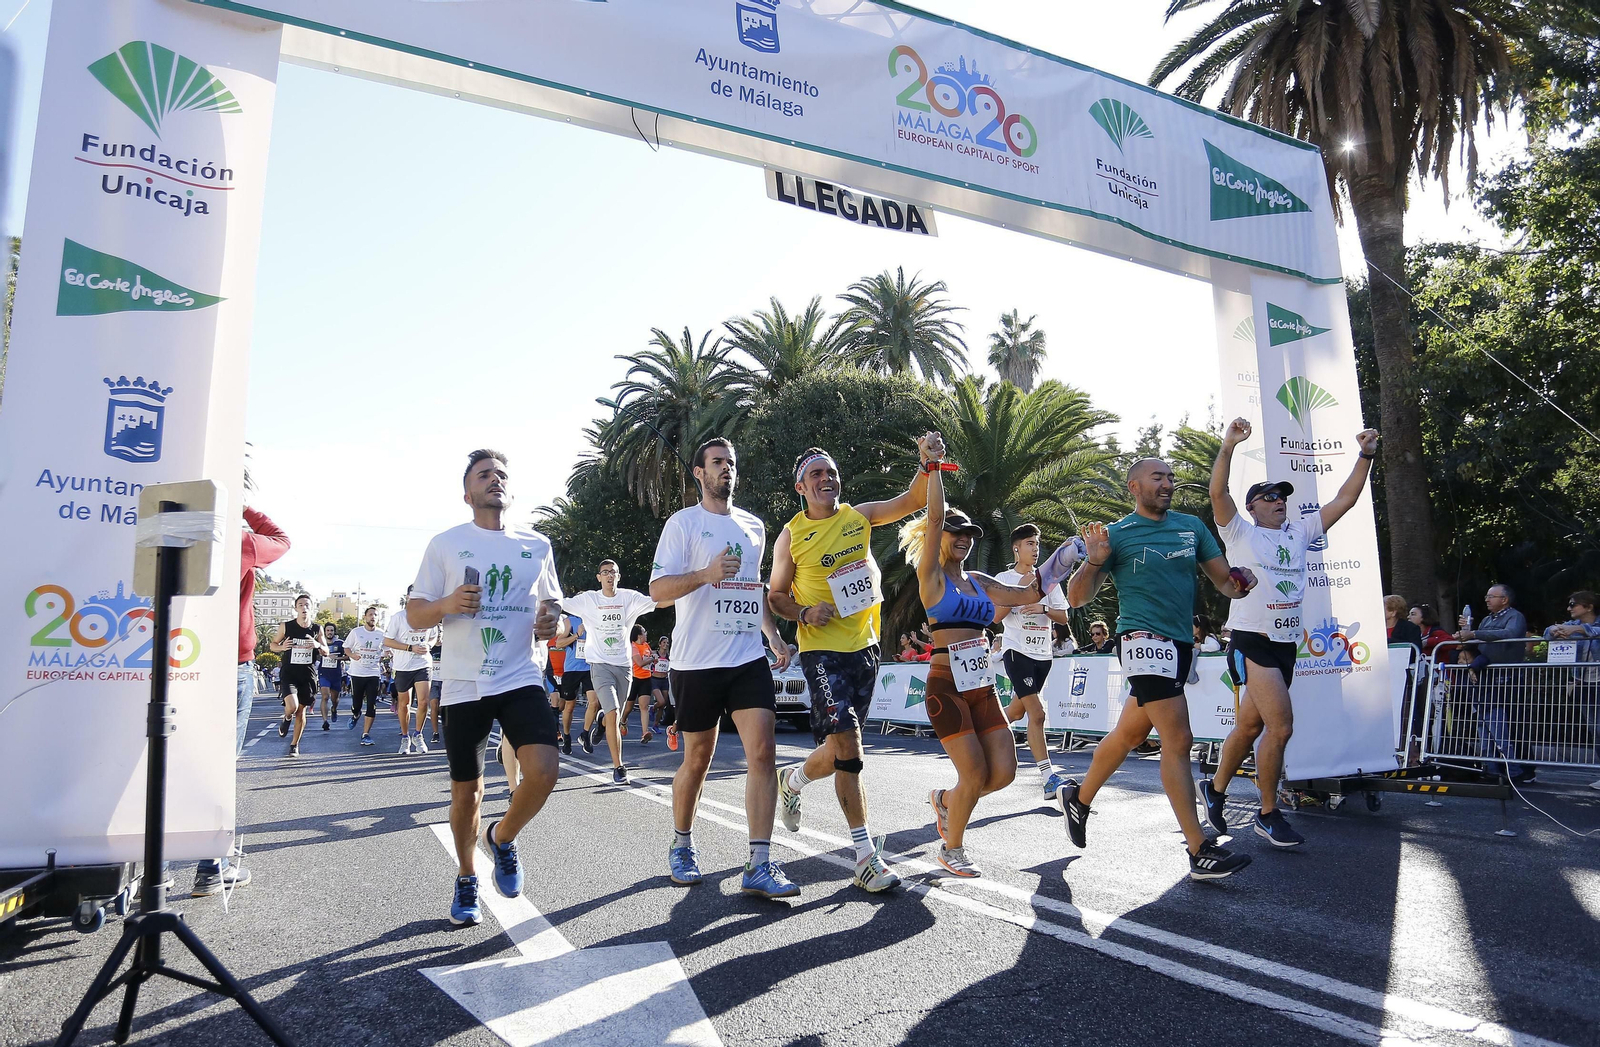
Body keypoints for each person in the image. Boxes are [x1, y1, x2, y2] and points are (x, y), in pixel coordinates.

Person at [1047, 457, 1257, 880]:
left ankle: (1078, 796)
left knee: (1131, 732)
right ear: (1134, 487)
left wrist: (1241, 581)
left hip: (1179, 643)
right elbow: (1076, 599)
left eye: (1170, 477)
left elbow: (1224, 584)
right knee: (1178, 738)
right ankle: (1199, 849)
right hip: (1141, 639)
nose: (1167, 483)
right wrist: (1092, 560)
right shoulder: (1117, 535)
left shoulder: (1191, 528)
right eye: (1157, 477)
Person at [769, 435, 946, 892]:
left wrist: (927, 463)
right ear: (800, 488)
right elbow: (775, 596)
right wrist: (803, 613)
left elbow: (910, 500)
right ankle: (865, 856)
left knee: (839, 751)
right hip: (820, 651)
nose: (827, 479)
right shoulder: (791, 535)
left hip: (864, 648)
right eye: (816, 474)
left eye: (831, 472)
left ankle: (792, 779)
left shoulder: (859, 517)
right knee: (849, 747)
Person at [1197, 419, 1379, 849]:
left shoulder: (1301, 531)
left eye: (1282, 496)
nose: (1279, 501)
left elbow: (1346, 500)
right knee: (1280, 728)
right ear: (1254, 507)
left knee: (1248, 727)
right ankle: (1267, 812)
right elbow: (1217, 494)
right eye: (1270, 497)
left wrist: (1366, 454)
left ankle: (1215, 789)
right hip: (1250, 640)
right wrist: (1228, 446)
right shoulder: (1240, 531)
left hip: (1285, 644)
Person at [405, 449, 565, 926]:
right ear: (467, 492)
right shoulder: (446, 544)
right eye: (484, 474)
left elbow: (552, 610)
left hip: (519, 674)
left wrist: (550, 623)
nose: (495, 480)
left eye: (501, 475)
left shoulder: (536, 545)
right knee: (466, 794)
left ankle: (502, 838)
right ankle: (467, 877)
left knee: (544, 771)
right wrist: (450, 602)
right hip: (462, 680)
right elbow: (416, 614)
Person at [650, 437, 797, 899]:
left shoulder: (753, 526)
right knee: (698, 759)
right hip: (696, 663)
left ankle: (759, 862)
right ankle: (682, 845)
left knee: (764, 753)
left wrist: (771, 635)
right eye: (717, 463)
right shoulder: (683, 525)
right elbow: (658, 590)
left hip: (745, 658)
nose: (726, 470)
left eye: (731, 463)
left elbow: (754, 590)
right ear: (699, 473)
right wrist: (704, 575)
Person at [898, 463, 1043, 877]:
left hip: (981, 684)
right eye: (954, 531)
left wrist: (1074, 557)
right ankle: (952, 848)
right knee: (975, 772)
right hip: (946, 685)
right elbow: (937, 514)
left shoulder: (978, 580)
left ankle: (946, 801)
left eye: (969, 535)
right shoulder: (931, 576)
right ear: (936, 535)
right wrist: (932, 468)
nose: (963, 539)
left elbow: (1030, 592)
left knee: (1004, 773)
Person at [195, 506, 289, 897]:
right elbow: (282, 540)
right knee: (217, 769)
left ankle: (157, 869)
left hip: (177, 660)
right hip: (229, 665)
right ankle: (210, 868)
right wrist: (243, 507)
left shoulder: (171, 536)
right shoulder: (237, 542)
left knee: (168, 764)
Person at [996, 523, 1076, 803]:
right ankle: (1048, 778)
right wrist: (1016, 592)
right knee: (1037, 714)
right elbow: (994, 618)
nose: (1035, 549)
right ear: (1016, 548)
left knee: (1016, 713)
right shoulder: (1004, 577)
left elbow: (1064, 618)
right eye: (1030, 543)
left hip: (1043, 655)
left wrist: (1042, 607)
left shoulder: (1048, 578)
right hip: (1017, 651)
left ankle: (981, 732)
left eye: (1037, 544)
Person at [563, 560, 657, 783]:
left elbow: (659, 601)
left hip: (624, 667)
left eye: (612, 572)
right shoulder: (589, 600)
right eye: (604, 572)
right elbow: (559, 602)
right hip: (600, 665)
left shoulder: (629, 598)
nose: (608, 576)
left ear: (618, 576)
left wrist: (693, 589)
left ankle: (601, 722)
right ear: (598, 577)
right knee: (614, 713)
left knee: (612, 715)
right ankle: (619, 767)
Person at [1456, 584, 1533, 782]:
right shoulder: (1487, 619)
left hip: (1507, 677)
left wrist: (1474, 634)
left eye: (1491, 596)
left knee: (1506, 726)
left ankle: (1517, 770)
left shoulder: (1515, 616)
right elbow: (1481, 644)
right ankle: (1493, 768)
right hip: (1487, 677)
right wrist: (1464, 635)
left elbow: (1510, 634)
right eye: (1486, 596)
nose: (1487, 600)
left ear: (1504, 599)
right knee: (1486, 724)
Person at [1545, 592, 1600, 790]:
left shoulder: (1581, 626)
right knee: (1596, 729)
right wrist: (1554, 630)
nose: (1569, 609)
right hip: (1584, 683)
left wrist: (1579, 628)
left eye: (1573, 604)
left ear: (1589, 606)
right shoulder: (1570, 624)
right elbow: (1546, 633)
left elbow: (1595, 631)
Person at [386, 587, 442, 755]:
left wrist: (429, 645)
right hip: (402, 667)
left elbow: (433, 636)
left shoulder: (429, 616)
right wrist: (410, 647)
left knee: (424, 701)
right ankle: (405, 737)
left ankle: (418, 734)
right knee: (404, 704)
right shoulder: (398, 618)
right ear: (408, 597)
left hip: (423, 664)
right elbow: (388, 641)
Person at [271, 595, 326, 758]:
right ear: (296, 608)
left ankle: (294, 745)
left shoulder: (317, 628)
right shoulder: (286, 626)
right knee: (292, 706)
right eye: (300, 605)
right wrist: (281, 647)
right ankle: (287, 717)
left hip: (307, 674)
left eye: (307, 605)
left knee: (301, 710)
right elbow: (273, 645)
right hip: (289, 673)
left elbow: (326, 650)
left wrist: (317, 645)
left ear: (311, 607)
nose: (304, 607)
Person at [346, 606, 387, 746]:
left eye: (375, 615)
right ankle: (356, 714)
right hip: (357, 673)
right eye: (370, 614)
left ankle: (366, 734)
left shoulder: (382, 634)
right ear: (365, 617)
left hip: (373, 673)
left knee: (371, 704)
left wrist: (387, 654)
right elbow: (346, 647)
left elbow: (387, 650)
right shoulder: (356, 632)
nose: (373, 617)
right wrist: (352, 655)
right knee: (356, 704)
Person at [551, 615, 589, 754]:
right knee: (569, 706)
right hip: (572, 669)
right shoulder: (570, 621)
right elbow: (559, 643)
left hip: (590, 667)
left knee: (595, 702)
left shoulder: (594, 616)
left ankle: (585, 734)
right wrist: (577, 635)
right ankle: (566, 737)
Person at [622, 624, 657, 743]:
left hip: (646, 679)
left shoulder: (646, 645)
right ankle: (623, 720)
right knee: (629, 707)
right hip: (634, 678)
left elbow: (652, 657)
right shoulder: (633, 646)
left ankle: (644, 732)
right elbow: (640, 662)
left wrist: (654, 658)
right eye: (644, 632)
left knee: (644, 707)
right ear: (639, 635)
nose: (646, 634)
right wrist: (652, 659)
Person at [317, 623, 345, 731]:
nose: (330, 632)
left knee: (334, 699)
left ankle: (334, 709)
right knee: (325, 697)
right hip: (324, 673)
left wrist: (337, 658)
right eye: (328, 630)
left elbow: (348, 656)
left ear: (334, 632)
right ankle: (325, 721)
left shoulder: (340, 643)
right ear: (324, 632)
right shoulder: (320, 644)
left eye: (332, 630)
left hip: (336, 674)